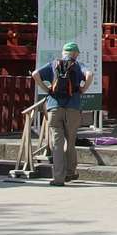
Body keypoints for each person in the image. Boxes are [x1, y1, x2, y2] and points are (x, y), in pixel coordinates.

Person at [35, 42, 93, 185]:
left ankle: (58, 178)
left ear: (64, 53)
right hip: (73, 108)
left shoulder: (53, 64)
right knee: (71, 141)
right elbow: (90, 74)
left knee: (57, 144)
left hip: (54, 107)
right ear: (75, 54)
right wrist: (83, 89)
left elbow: (35, 74)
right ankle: (70, 172)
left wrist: (46, 89)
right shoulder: (79, 66)